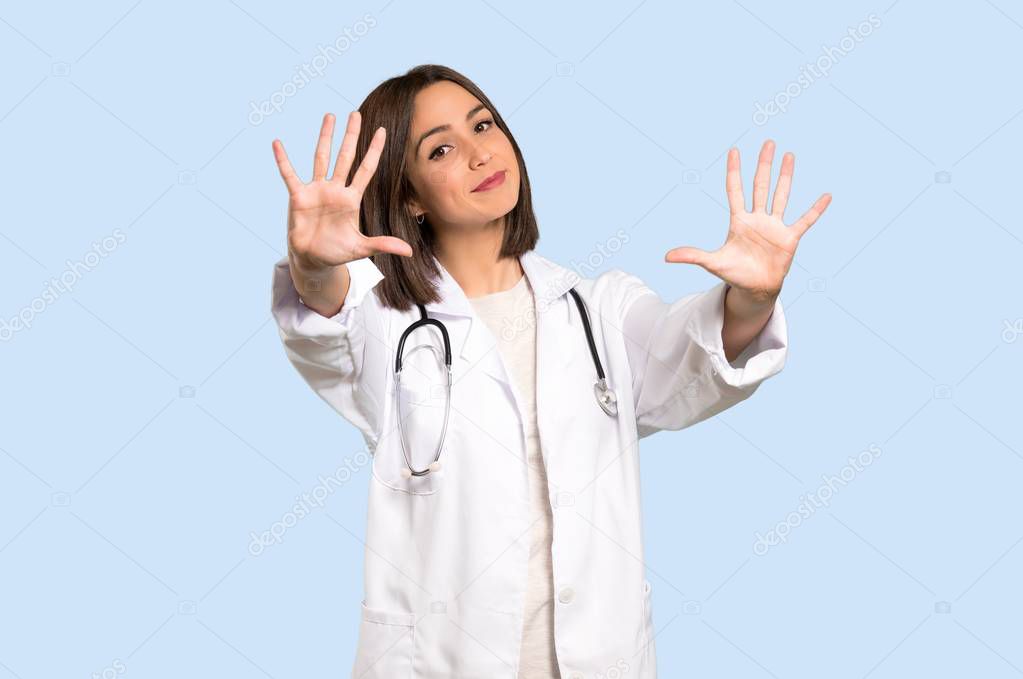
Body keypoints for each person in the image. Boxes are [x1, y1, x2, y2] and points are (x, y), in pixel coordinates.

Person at [269, 64, 831, 679]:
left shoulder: (598, 310)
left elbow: (696, 357)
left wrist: (751, 298)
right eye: (443, 148)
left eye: (483, 124)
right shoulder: (387, 325)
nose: (481, 152)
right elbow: (326, 329)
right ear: (408, 196)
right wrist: (312, 265)